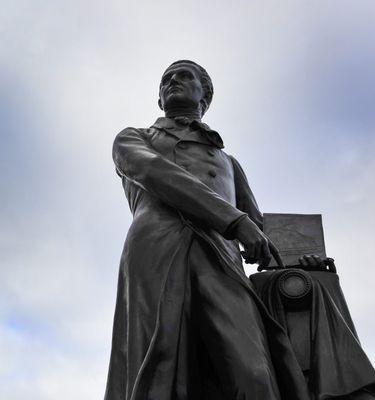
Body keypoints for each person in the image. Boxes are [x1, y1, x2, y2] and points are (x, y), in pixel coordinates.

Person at [104, 60, 311, 400]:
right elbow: (156, 173)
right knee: (162, 368)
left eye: (183, 75)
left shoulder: (229, 163)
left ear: (205, 94)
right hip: (158, 251)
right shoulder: (132, 138)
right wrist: (233, 220)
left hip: (223, 260)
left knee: (254, 373)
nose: (172, 81)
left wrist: (303, 261)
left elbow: (261, 230)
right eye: (166, 80)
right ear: (159, 101)